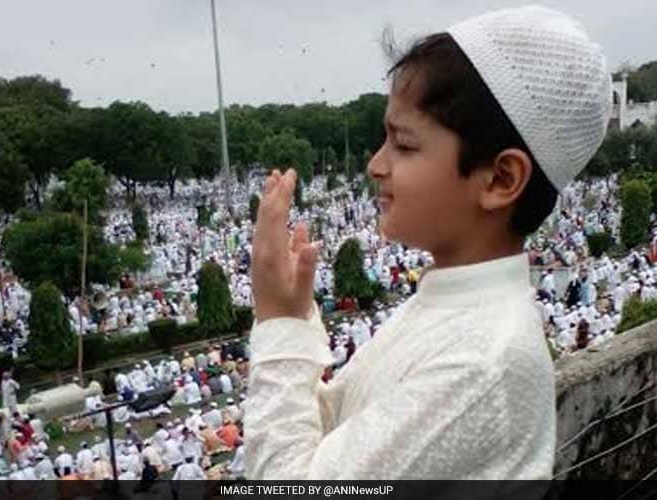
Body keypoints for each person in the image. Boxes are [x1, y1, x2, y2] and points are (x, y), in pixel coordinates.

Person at [245, 6, 611, 479]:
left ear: (500, 178)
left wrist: (279, 320)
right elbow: (335, 437)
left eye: (404, 144)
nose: (376, 165)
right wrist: (295, 316)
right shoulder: (451, 309)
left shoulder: (485, 361)